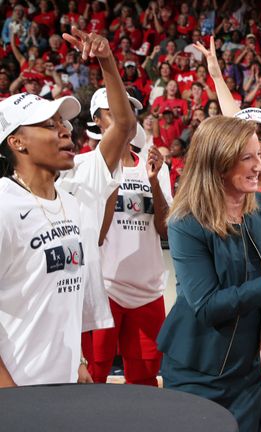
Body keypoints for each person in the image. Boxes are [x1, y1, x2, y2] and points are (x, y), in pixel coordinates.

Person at [156, 116, 261, 431]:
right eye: (247, 158)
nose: (259, 166)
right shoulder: (186, 221)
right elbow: (207, 307)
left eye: (259, 155)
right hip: (197, 371)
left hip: (248, 369)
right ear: (218, 163)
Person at [0, 28, 137, 386]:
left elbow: (124, 124)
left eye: (63, 122)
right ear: (17, 142)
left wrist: (75, 361)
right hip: (17, 388)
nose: (65, 130)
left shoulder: (72, 204)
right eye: (49, 124)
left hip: (61, 383)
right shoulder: (3, 204)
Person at [82, 99, 172, 385]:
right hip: (103, 288)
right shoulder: (83, 165)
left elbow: (165, 229)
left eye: (129, 111)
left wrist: (154, 183)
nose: (124, 117)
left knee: (145, 378)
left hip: (148, 289)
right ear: (97, 119)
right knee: (94, 376)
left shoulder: (154, 165)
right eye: (113, 111)